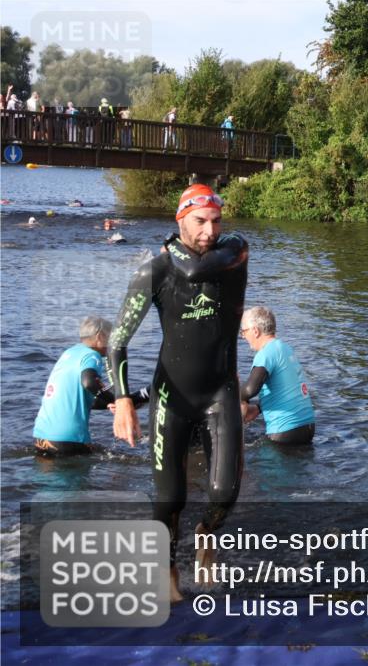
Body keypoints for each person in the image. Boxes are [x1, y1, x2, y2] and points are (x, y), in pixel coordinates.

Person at [109, 183, 248, 602]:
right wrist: (123, 400)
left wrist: (172, 246)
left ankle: (206, 532)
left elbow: (193, 270)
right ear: (181, 219)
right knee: (170, 498)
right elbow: (117, 342)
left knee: (225, 494)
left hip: (220, 392)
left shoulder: (235, 253)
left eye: (216, 221)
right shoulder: (153, 272)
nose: (210, 230)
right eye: (200, 221)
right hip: (172, 395)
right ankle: (167, 568)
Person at [33, 316, 149, 456]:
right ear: (100, 337)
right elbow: (89, 382)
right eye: (111, 338)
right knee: (125, 461)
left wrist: (108, 403)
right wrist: (119, 402)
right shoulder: (92, 355)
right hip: (69, 439)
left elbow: (79, 399)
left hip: (41, 437)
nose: (113, 344)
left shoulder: (69, 353)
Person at [239, 307, 315, 445]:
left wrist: (231, 395)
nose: (243, 337)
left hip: (285, 430)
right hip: (307, 426)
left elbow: (250, 389)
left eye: (244, 331)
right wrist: (258, 408)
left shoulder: (266, 353)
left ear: (255, 331)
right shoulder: (285, 348)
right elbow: (287, 388)